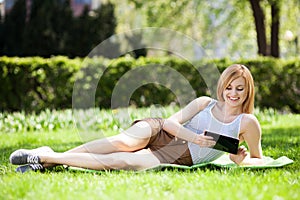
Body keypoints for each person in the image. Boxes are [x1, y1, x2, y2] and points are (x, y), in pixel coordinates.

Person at [9, 64, 264, 173]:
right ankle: (46, 158)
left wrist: (237, 159)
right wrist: (196, 137)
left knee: (122, 162)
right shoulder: (204, 103)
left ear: (248, 90)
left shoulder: (248, 123)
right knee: (122, 143)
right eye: (229, 87)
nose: (233, 94)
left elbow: (258, 158)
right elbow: (168, 123)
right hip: (161, 131)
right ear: (222, 86)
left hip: (179, 155)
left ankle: (47, 157)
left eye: (239, 89)